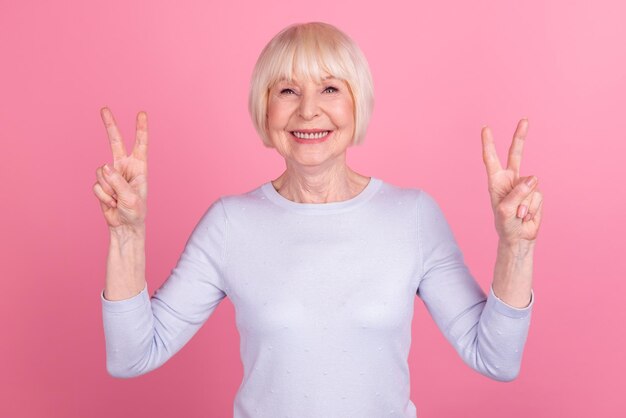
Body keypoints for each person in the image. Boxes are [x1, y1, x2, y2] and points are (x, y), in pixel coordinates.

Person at [94, 22, 543, 418]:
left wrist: (516, 247)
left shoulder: (413, 217)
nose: (308, 110)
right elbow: (132, 356)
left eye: (329, 88)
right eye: (287, 90)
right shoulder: (230, 224)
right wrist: (127, 235)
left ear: (356, 105)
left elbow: (496, 358)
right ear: (265, 109)